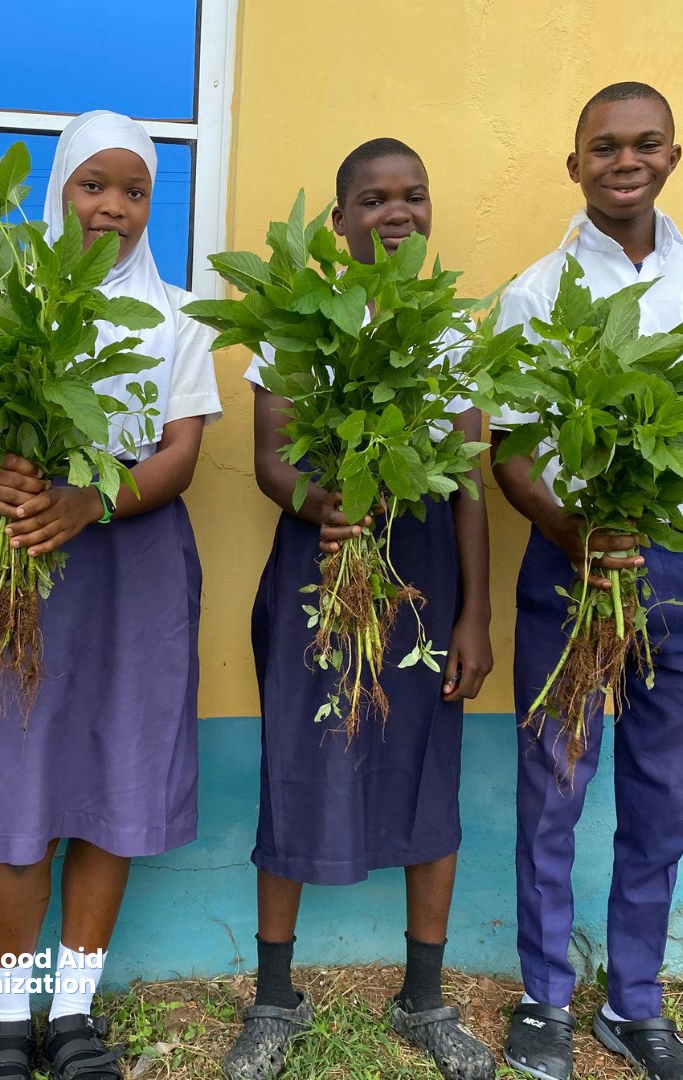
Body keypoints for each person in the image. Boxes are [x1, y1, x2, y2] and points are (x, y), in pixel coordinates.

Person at [0, 111, 221, 1080]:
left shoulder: (181, 316)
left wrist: (86, 502)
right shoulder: (6, 306)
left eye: (135, 191)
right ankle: (5, 1022)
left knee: (117, 786)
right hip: (28, 564)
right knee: (19, 788)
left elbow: (182, 456)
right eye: (92, 185)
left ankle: (71, 1014)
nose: (113, 206)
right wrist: (6, 489)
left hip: (135, 569)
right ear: (58, 190)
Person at [223, 139, 494, 1080]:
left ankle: (425, 999)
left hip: (421, 571)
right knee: (297, 761)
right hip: (320, 564)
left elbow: (466, 483)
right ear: (337, 222)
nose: (397, 213)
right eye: (374, 199)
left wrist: (473, 617)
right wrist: (319, 504)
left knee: (426, 770)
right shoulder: (297, 327)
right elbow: (271, 458)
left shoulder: (454, 335)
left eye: (414, 196)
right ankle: (273, 999)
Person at [492, 82, 683, 1080]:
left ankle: (638, 1000)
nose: (624, 160)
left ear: (672, 157)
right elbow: (511, 452)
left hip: (676, 567)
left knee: (665, 789)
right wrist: (571, 532)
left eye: (645, 144)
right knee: (555, 783)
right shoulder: (534, 290)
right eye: (603, 146)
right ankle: (543, 996)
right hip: (572, 563)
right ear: (575, 164)